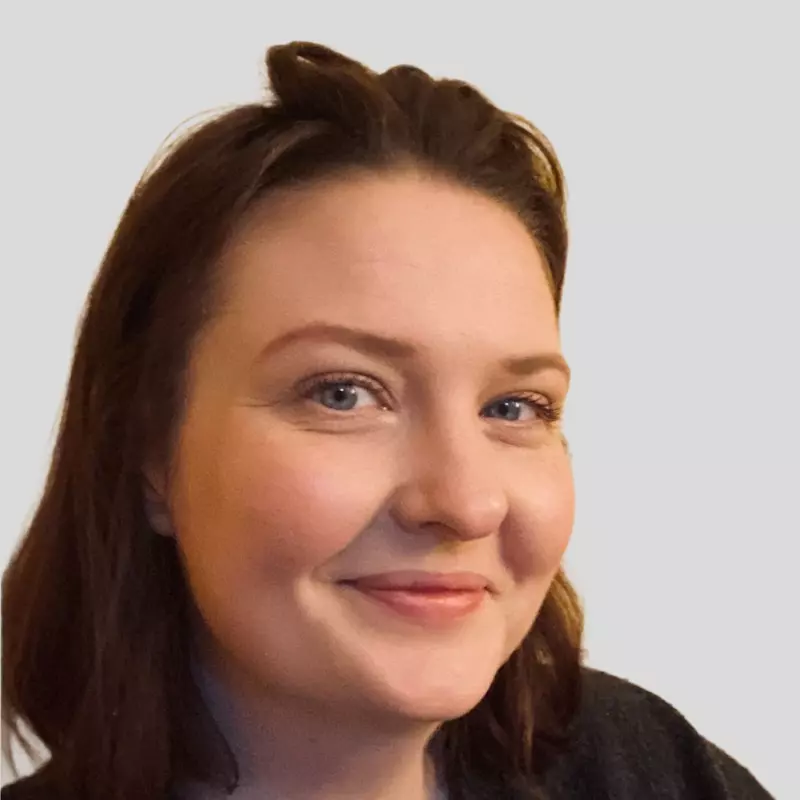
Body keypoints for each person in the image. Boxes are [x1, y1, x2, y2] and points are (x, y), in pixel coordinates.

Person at [1, 40, 773, 800]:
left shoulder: (647, 770)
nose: (465, 503)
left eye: (514, 407)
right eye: (344, 393)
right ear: (150, 454)